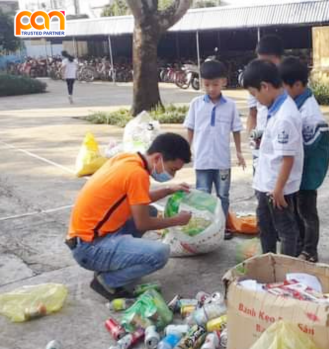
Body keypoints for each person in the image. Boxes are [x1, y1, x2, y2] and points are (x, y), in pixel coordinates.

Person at [66, 133, 193, 300]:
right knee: (160, 253)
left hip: (84, 239)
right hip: (89, 249)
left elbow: (138, 198)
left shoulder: (128, 160)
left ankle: (116, 262)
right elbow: (142, 223)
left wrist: (169, 190)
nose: (173, 175)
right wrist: (176, 220)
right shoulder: (137, 174)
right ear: (157, 158)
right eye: (172, 170)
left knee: (150, 211)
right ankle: (107, 281)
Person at [242, 59, 303, 256]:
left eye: (254, 94)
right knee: (265, 226)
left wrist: (278, 190)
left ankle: (287, 270)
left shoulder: (285, 115)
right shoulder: (272, 107)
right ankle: (268, 262)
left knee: (285, 230)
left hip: (277, 186)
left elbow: (288, 159)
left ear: (265, 87)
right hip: (266, 181)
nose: (256, 99)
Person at [183, 59, 245, 240]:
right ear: (201, 82)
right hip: (202, 161)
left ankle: (222, 226)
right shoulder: (196, 104)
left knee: (223, 195)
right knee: (202, 195)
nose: (211, 88)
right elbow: (190, 127)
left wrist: (239, 152)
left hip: (222, 161)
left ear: (223, 82)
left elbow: (236, 130)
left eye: (215, 84)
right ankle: (205, 226)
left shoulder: (231, 106)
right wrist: (187, 149)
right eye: (207, 84)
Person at [279, 57, 329, 263]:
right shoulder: (294, 102)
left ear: (298, 85)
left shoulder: (310, 110)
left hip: (308, 171)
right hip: (298, 170)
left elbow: (308, 146)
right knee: (298, 210)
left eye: (284, 87)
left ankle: (310, 251)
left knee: (307, 212)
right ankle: (300, 245)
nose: (281, 91)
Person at [246, 35, 285, 173]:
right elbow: (252, 114)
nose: (264, 67)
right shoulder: (254, 79)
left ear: (279, 59)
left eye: (269, 62)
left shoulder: (288, 82)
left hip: (282, 140)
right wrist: (253, 140)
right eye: (260, 61)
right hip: (261, 139)